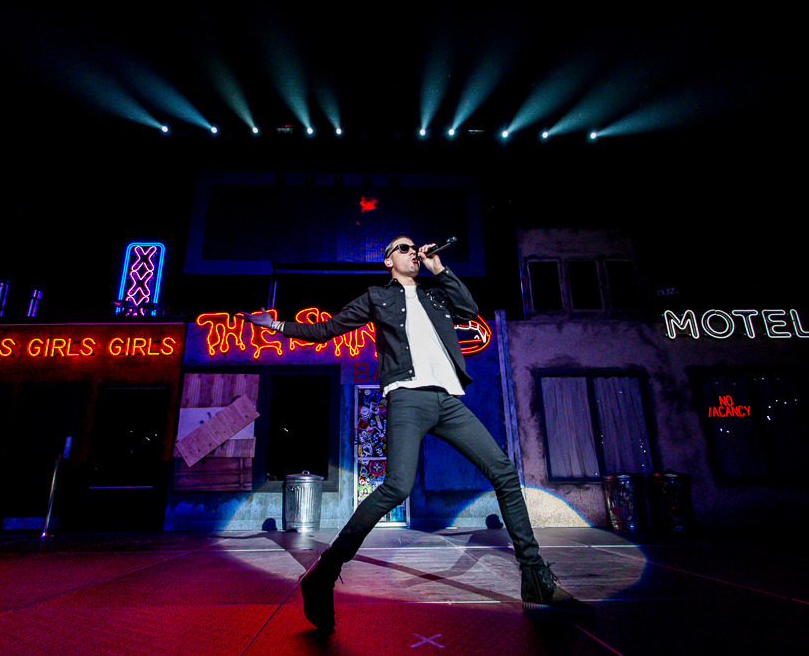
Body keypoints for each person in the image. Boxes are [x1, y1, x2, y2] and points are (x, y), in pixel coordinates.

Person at [239, 236, 591, 631]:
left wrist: (439, 267)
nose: (413, 253)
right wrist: (279, 325)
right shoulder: (376, 296)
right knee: (397, 487)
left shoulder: (435, 295)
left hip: (448, 401)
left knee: (505, 474)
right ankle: (324, 573)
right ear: (389, 260)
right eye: (404, 249)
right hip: (407, 398)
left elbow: (469, 309)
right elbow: (326, 330)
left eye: (414, 249)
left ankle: (535, 577)